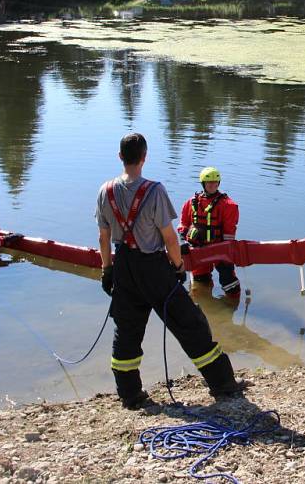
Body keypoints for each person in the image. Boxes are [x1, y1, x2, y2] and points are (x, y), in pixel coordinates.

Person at [96, 133, 244, 409]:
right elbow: (169, 238)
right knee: (191, 323)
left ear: (120, 157)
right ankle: (223, 384)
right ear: (145, 157)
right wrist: (177, 267)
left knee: (126, 330)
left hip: (123, 266)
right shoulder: (154, 190)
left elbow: (103, 238)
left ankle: (130, 394)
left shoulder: (105, 191)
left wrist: (107, 271)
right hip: (152, 265)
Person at [177, 167, 241, 295]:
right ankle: (207, 307)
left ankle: (233, 302)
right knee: (200, 283)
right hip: (197, 248)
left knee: (230, 284)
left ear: (219, 183)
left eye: (215, 182)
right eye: (209, 182)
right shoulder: (191, 203)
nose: (212, 185)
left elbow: (229, 232)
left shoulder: (228, 205)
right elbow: (183, 225)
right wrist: (183, 242)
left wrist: (227, 253)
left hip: (219, 249)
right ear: (203, 184)